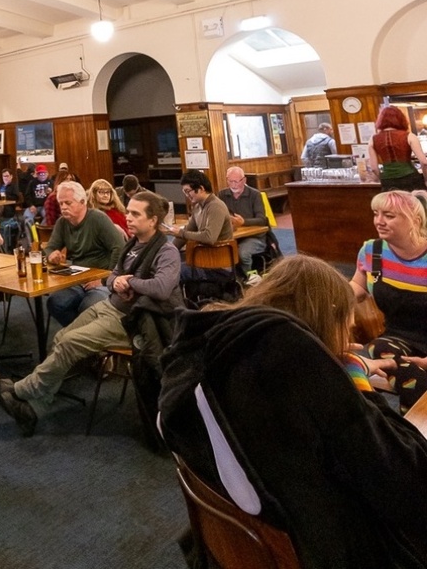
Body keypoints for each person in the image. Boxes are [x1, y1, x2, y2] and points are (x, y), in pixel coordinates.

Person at [159, 255, 427, 568]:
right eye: (348, 330)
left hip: (250, 539)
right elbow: (411, 483)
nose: (347, 342)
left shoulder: (221, 350)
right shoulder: (301, 364)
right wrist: (354, 378)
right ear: (329, 320)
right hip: (329, 549)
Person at [0, 191, 183, 436]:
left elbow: (163, 288)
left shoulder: (167, 251)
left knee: (68, 343)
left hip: (134, 320)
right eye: (128, 212)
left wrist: (129, 281)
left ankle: (21, 391)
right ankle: (35, 408)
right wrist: (116, 282)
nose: (128, 218)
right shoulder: (132, 245)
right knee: (60, 338)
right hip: (110, 307)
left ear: (153, 220)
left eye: (135, 214)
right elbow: (112, 276)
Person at [350, 189, 427, 413]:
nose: (379, 221)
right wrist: (330, 297)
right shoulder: (372, 251)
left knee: (406, 382)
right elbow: (357, 287)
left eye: (389, 216)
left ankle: (414, 424)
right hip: (399, 338)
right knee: (379, 346)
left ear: (415, 219)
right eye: (376, 214)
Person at [44, 181, 125, 327]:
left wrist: (106, 279)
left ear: (82, 202)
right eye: (61, 203)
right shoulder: (63, 223)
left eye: (68, 203)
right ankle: (79, 336)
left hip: (101, 278)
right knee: (55, 302)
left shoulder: (98, 219)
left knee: (88, 306)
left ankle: (81, 338)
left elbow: (119, 248)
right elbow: (49, 248)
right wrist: (51, 255)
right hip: (77, 278)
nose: (63, 207)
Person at [166, 170, 233, 283]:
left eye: (188, 191)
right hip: (204, 259)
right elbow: (187, 232)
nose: (187, 195)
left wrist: (180, 233)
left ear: (201, 188)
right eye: (184, 192)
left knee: (171, 272)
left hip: (218, 266)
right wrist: (168, 250)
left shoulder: (215, 206)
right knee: (166, 265)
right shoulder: (198, 206)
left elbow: (209, 237)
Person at [217, 166, 268, 285]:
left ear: (244, 180)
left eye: (236, 181)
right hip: (233, 235)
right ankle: (229, 281)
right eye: (230, 181)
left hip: (255, 237)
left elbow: (262, 220)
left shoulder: (255, 195)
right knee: (219, 250)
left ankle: (250, 280)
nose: (233, 185)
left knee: (242, 253)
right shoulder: (222, 195)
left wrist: (244, 222)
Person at [367, 106, 427, 191]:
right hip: (410, 178)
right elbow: (424, 162)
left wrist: (383, 179)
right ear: (401, 119)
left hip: (388, 180)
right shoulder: (409, 136)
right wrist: (425, 179)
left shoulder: (373, 139)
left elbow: (373, 168)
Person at [0, 168, 21, 252]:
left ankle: (5, 245)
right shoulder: (0, 186)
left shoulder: (14, 186)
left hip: (9, 208)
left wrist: (4, 195)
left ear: (11, 176)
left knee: (4, 210)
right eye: (4, 176)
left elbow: (16, 198)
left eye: (7, 176)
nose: (5, 178)